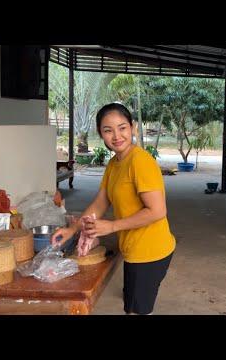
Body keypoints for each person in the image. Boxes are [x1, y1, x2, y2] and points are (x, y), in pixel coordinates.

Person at [51, 102, 176, 315]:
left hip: (150, 252)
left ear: (133, 127)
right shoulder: (115, 163)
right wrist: (73, 230)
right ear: (101, 134)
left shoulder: (140, 162)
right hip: (134, 250)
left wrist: (111, 226)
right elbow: (100, 202)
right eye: (108, 130)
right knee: (133, 307)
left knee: (136, 311)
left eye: (122, 128)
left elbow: (157, 211)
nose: (116, 136)